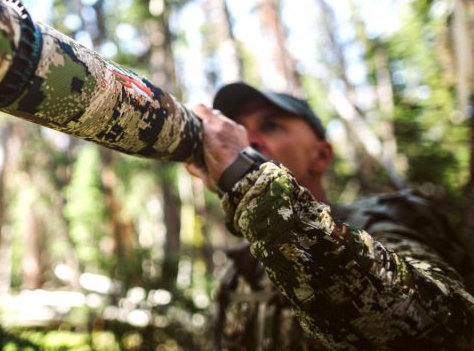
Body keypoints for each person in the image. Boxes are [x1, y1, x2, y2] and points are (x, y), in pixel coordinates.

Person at [186, 82, 474, 350]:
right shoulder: (238, 272)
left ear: (321, 156)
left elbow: (448, 326)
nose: (247, 140)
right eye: (239, 128)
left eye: (270, 125)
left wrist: (249, 178)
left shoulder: (375, 225)